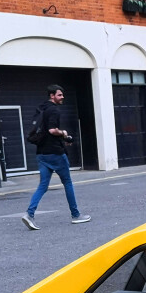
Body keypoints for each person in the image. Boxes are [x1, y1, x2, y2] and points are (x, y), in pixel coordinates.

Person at [25, 85, 89, 230]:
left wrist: (62, 139)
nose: (62, 97)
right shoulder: (53, 110)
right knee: (67, 182)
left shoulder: (42, 108)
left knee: (43, 186)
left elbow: (45, 133)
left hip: (41, 153)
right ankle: (76, 215)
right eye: (59, 95)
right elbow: (52, 130)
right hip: (55, 154)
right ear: (52, 95)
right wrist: (64, 133)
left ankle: (29, 214)